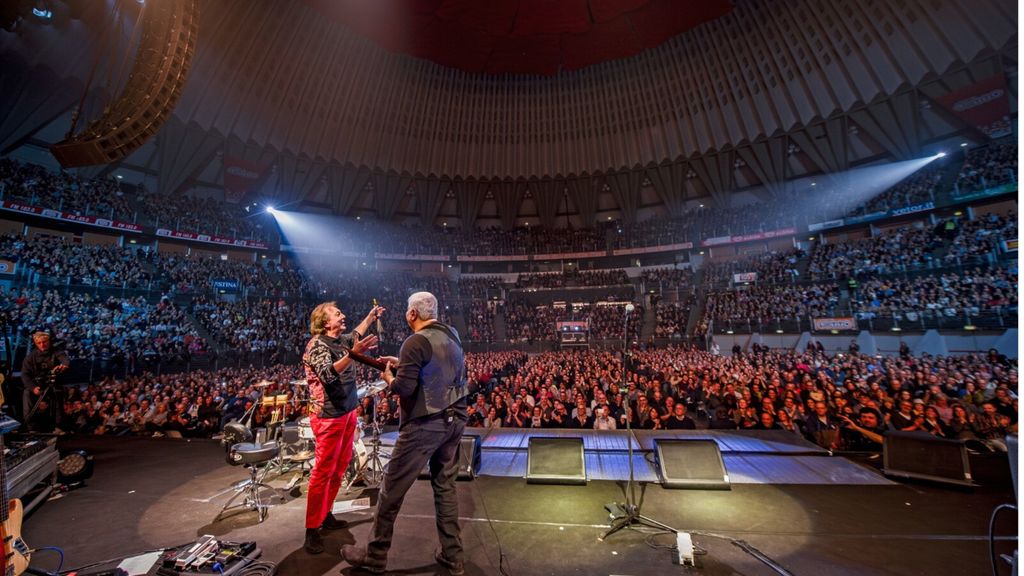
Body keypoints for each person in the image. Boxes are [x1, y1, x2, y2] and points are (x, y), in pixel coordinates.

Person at [342, 292, 469, 575]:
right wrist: (404, 364)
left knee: (391, 490)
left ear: (413, 314)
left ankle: (375, 556)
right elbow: (439, 370)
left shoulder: (414, 341)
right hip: (456, 420)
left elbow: (404, 389)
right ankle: (453, 555)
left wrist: (390, 377)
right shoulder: (452, 334)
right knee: (445, 487)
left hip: (426, 424)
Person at [302, 301, 391, 555]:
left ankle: (326, 514)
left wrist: (371, 316)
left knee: (339, 467)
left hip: (347, 412)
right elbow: (328, 375)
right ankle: (311, 529)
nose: (343, 316)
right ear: (324, 322)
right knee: (323, 471)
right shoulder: (317, 345)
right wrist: (353, 353)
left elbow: (357, 334)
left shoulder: (341, 340)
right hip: (328, 416)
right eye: (337, 313)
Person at [22, 332, 70, 432]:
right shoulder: (30, 357)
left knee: (58, 393)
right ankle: (31, 427)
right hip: (37, 385)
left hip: (53, 383)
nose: (42, 345)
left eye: (44, 342)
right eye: (39, 343)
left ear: (49, 341)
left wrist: (63, 366)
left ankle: (59, 426)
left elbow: (65, 360)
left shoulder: (57, 352)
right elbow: (25, 375)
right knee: (27, 393)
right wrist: (33, 387)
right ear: (35, 343)